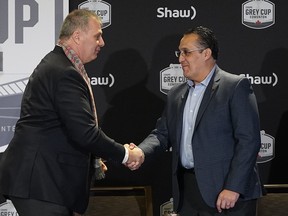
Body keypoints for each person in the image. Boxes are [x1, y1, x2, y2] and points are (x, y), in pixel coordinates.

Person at [0, 9, 143, 216]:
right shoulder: (64, 72)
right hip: (42, 183)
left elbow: (63, 129)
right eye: (97, 35)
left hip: (43, 182)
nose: (102, 42)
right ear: (77, 36)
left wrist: (94, 157)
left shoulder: (58, 65)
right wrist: (126, 154)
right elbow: (84, 133)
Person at [128, 26, 263, 215]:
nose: (180, 58)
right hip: (188, 193)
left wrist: (233, 187)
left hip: (229, 194)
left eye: (186, 52)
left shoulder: (235, 87)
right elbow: (162, 133)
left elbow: (249, 141)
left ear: (206, 53)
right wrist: (141, 152)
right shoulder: (176, 94)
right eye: (179, 52)